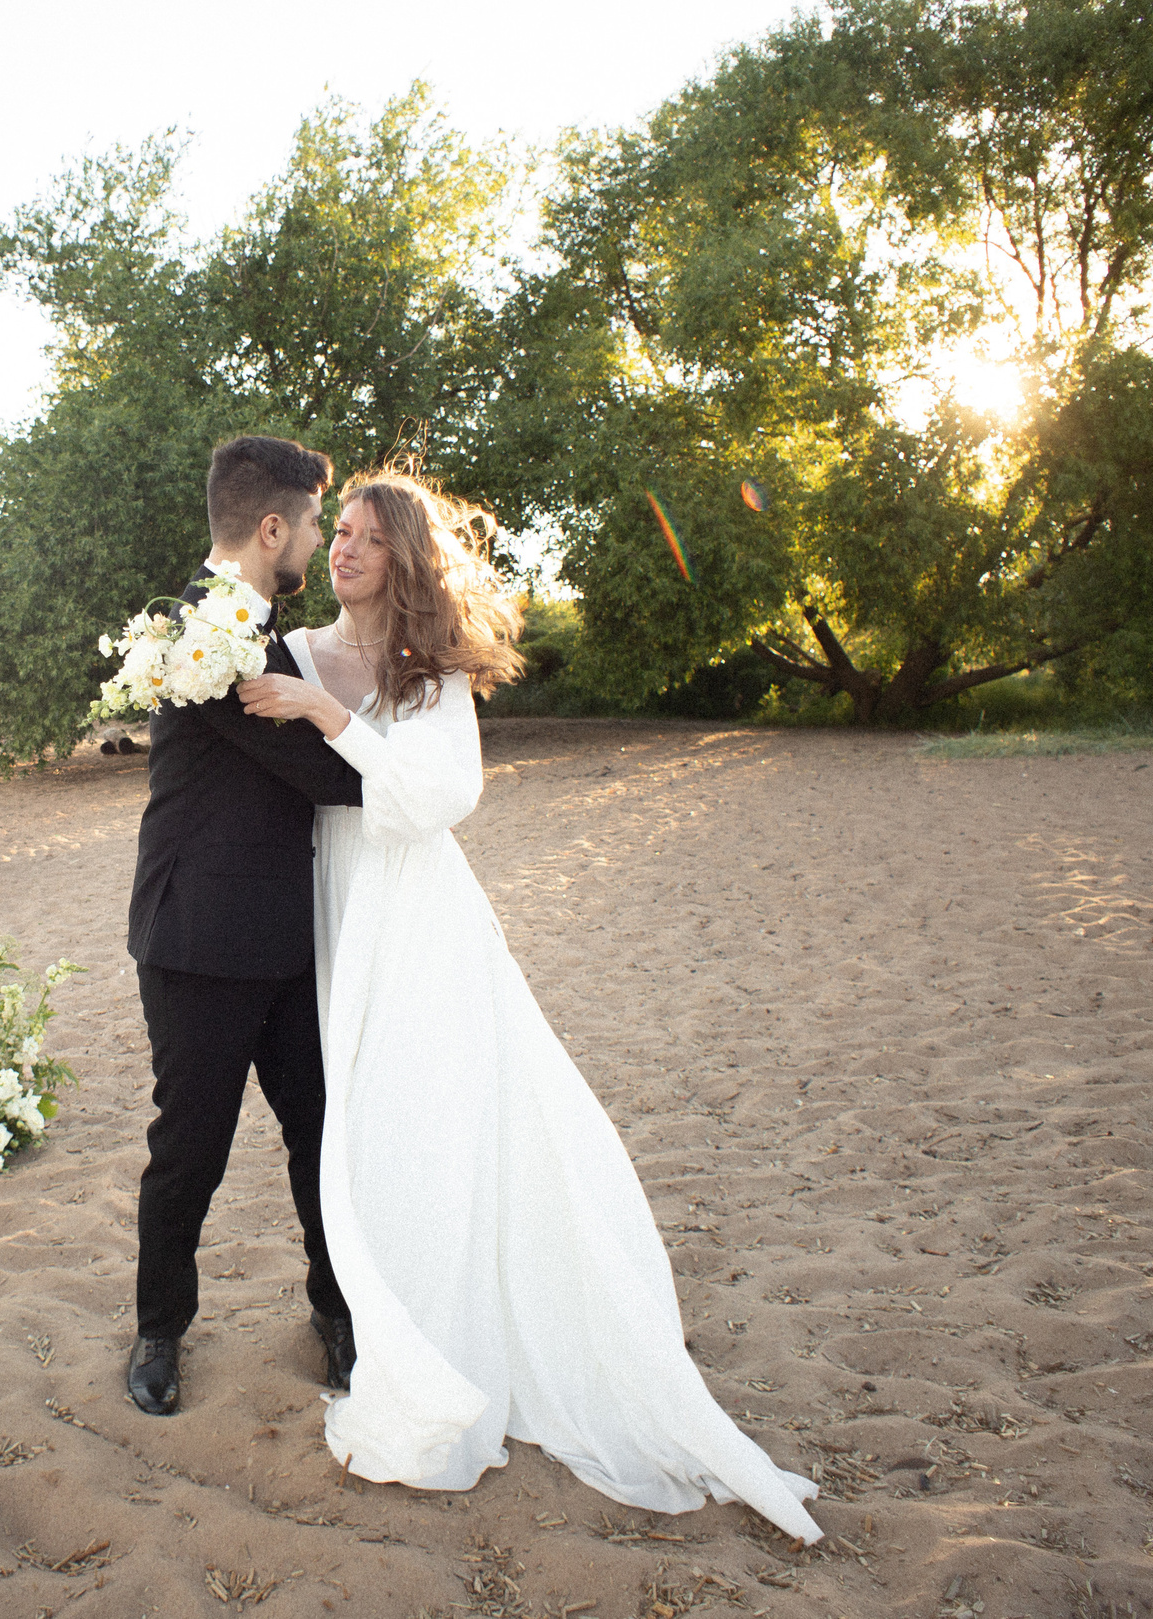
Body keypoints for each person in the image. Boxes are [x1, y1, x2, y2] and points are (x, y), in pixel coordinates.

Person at [233, 473, 822, 1541]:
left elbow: (434, 801)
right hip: (330, 906)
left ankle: (465, 1336)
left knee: (439, 1117)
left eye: (368, 537)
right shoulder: (296, 650)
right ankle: (389, 1324)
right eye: (342, 534)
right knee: (358, 1125)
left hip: (415, 917)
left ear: (404, 555)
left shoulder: (427, 675)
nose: (347, 550)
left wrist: (332, 721)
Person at [124, 435, 365, 1417]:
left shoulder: (258, 631)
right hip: (197, 942)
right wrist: (393, 766)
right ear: (273, 528)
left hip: (284, 940)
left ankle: (338, 1314)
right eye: (313, 520)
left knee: (319, 1139)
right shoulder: (203, 632)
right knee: (192, 1146)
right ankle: (157, 1331)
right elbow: (319, 775)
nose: (316, 537)